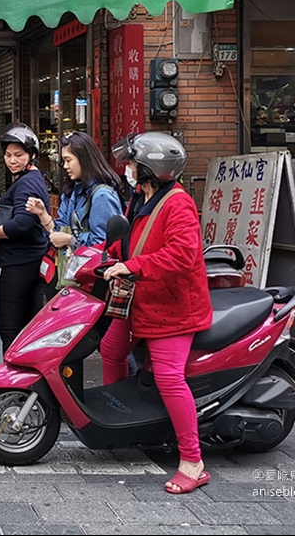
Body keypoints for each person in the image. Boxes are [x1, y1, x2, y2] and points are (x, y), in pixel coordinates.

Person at [101, 132, 213, 495]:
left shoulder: (177, 204)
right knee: (110, 349)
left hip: (172, 307)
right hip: (140, 299)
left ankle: (193, 462)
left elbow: (183, 256)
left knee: (168, 377)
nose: (128, 169)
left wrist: (133, 266)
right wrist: (107, 255)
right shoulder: (142, 196)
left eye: (133, 164)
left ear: (152, 168)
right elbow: (132, 239)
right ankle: (118, 419)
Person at [0, 123, 50, 350]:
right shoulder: (29, 179)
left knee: (9, 327)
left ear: (31, 155)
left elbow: (22, 223)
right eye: (8, 155)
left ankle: (12, 380)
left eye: (18, 155)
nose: (12, 160)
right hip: (28, 261)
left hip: (20, 264)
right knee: (26, 328)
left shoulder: (27, 182)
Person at [26, 130, 125, 262]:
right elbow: (58, 231)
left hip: (94, 276)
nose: (65, 166)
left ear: (84, 159)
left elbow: (105, 243)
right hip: (75, 273)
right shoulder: (73, 190)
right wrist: (42, 213)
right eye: (64, 161)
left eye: (68, 160)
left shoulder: (102, 195)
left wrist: (70, 240)